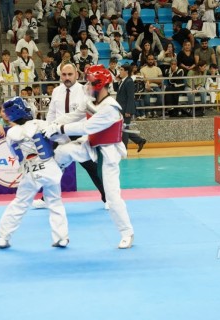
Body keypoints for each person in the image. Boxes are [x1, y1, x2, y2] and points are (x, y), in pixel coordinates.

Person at [43, 65, 135, 249]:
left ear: (100, 85)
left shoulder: (111, 108)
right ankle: (55, 174)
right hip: (91, 145)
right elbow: (73, 116)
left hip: (107, 152)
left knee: (112, 196)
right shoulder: (92, 100)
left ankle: (127, 233)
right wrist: (52, 124)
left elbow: (86, 127)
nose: (87, 85)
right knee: (63, 151)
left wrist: (59, 129)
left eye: (91, 83)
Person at [0, 96, 69, 249]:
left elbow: (16, 155)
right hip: (49, 168)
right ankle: (61, 237)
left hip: (30, 172)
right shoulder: (41, 124)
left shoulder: (11, 134)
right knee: (55, 202)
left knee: (20, 203)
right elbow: (60, 138)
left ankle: (3, 237)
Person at [35, 63, 108, 209]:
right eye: (64, 75)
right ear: (60, 75)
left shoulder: (84, 90)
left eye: (70, 74)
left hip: (78, 133)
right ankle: (47, 198)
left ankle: (108, 198)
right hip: (58, 133)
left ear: (76, 74)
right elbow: (52, 112)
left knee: (91, 168)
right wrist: (49, 128)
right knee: (54, 167)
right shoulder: (56, 91)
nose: (67, 78)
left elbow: (82, 114)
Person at [116, 64, 146, 151]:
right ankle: (140, 141)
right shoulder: (123, 80)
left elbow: (130, 97)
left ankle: (124, 150)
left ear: (126, 71)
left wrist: (128, 111)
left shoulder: (129, 82)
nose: (120, 72)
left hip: (126, 109)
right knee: (124, 128)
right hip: (122, 109)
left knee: (124, 130)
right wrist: (116, 80)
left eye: (121, 70)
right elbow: (115, 89)